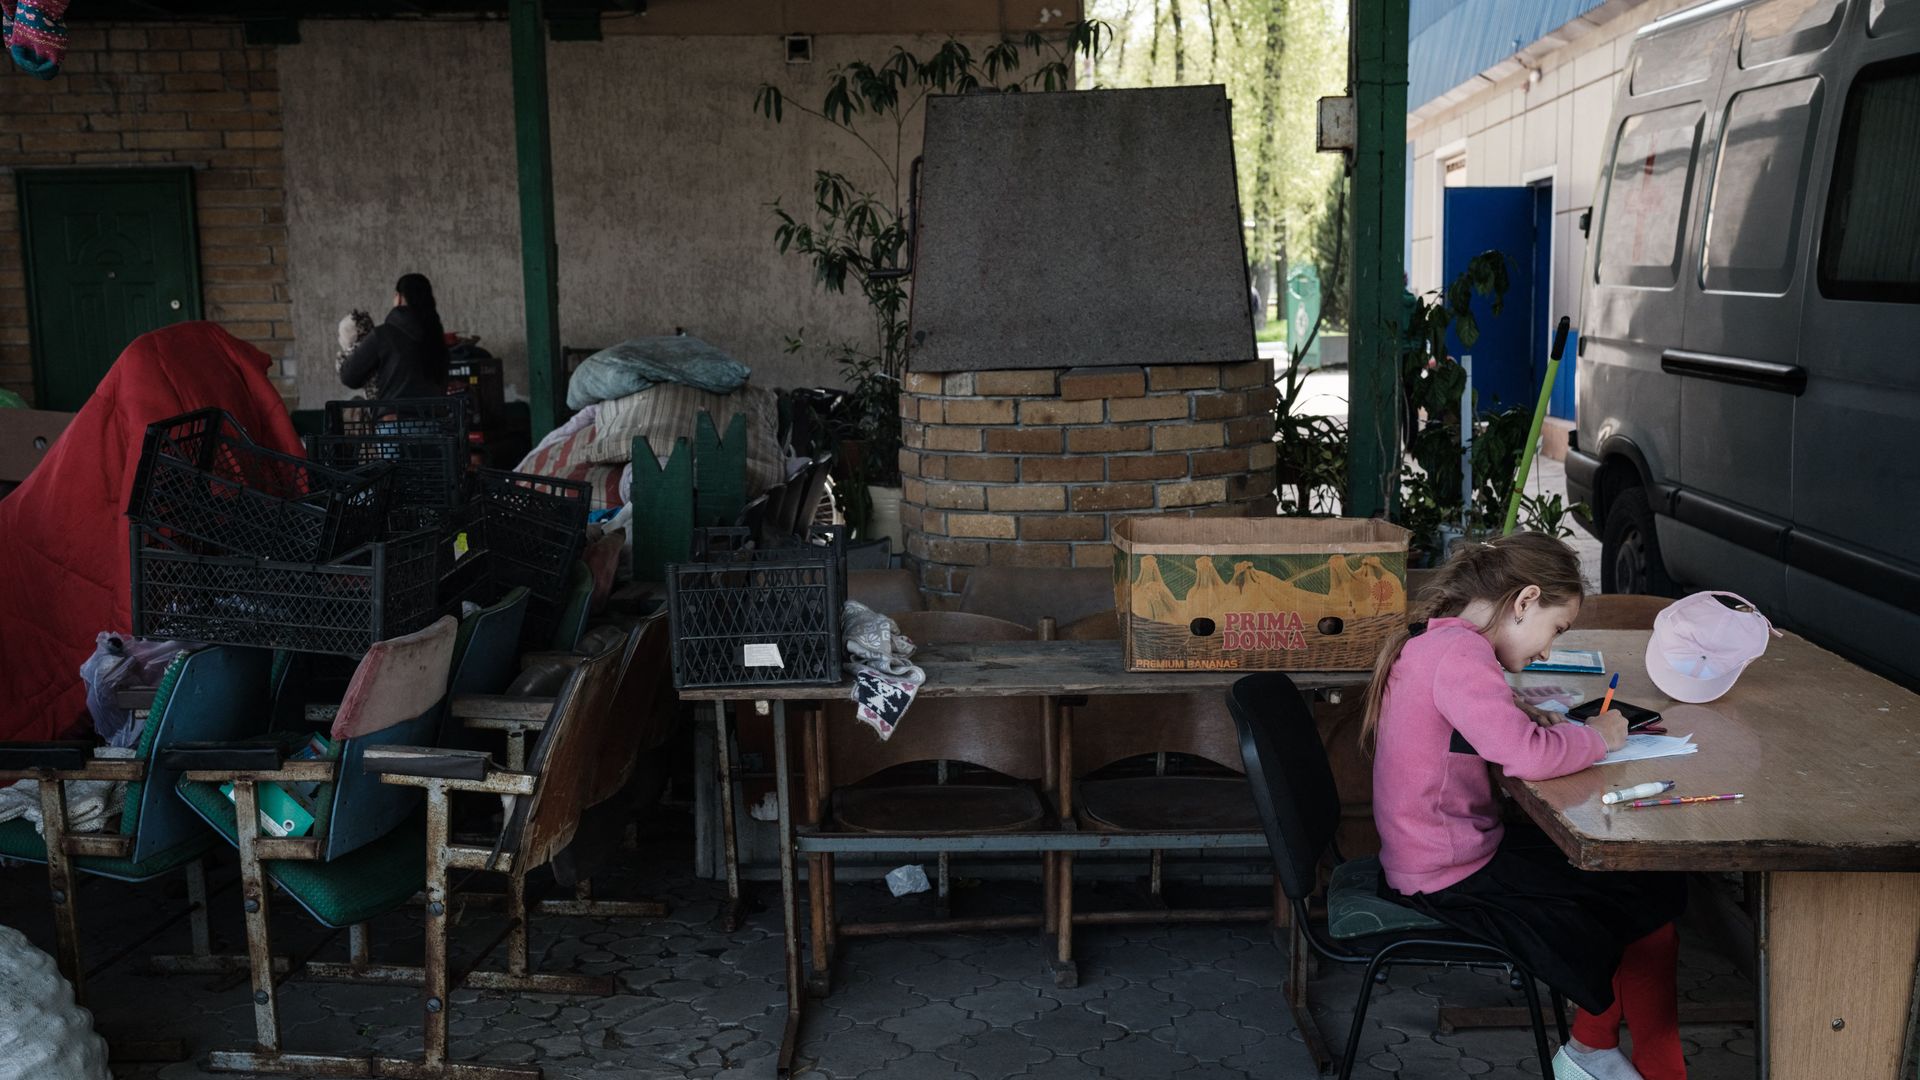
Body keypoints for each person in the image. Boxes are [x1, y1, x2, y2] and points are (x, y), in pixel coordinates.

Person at [1363, 533, 1687, 1080]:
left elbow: (1482, 732)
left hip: (1435, 854)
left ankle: (1594, 1050)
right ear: (1524, 600)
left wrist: (1520, 713)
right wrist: (1603, 738)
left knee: (1644, 888)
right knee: (1642, 896)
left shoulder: (1439, 641)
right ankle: (1609, 1059)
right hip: (1448, 873)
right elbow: (1524, 758)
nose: (1545, 653)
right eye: (1555, 630)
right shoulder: (1460, 654)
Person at [337, 273, 451, 401]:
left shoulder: (382, 335)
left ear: (399, 298)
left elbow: (349, 376)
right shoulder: (436, 338)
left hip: (394, 417)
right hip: (435, 417)